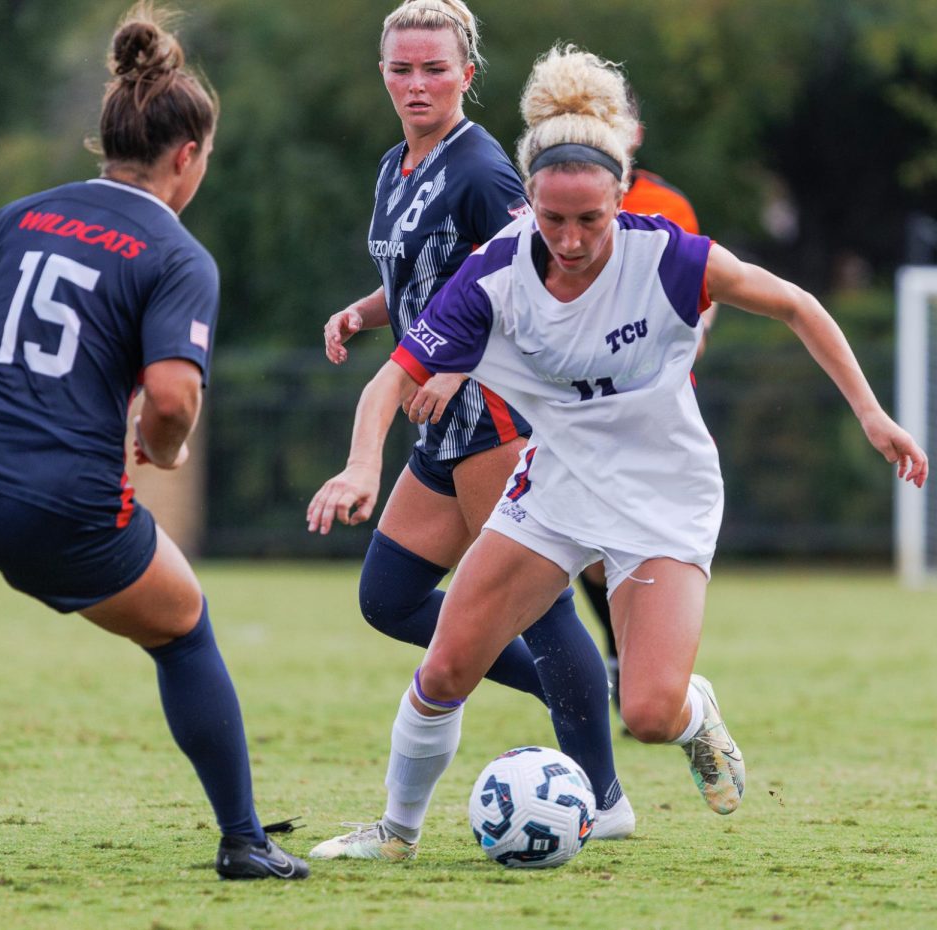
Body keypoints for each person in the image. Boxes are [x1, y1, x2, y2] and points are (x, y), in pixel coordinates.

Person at [306, 43, 928, 856]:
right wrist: (361, 464)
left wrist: (873, 414)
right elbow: (391, 381)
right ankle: (397, 831)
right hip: (555, 487)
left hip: (663, 496)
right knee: (447, 667)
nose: (570, 240)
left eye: (590, 220)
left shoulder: (668, 258)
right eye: (553, 219)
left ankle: (695, 715)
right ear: (526, 201)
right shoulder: (495, 275)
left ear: (621, 198)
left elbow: (799, 305)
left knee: (646, 713)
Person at [0, 3, 307, 882]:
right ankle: (243, 840)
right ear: (187, 156)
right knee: (185, 630)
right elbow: (170, 395)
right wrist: (167, 445)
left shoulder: (16, 217)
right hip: (61, 499)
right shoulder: (178, 252)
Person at [312, 0, 633, 858]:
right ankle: (586, 689)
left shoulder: (485, 169)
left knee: (536, 602)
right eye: (401, 68)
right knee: (387, 597)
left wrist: (457, 361)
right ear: (382, 74)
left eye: (434, 68)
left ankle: (603, 794)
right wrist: (367, 310)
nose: (417, 83)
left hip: (495, 411)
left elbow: (541, 275)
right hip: (437, 418)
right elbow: (425, 279)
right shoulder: (395, 166)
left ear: (468, 75)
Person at [583, 159, 713, 715]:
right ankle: (618, 658)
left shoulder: (663, 208)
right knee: (583, 547)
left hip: (647, 415)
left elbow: (707, 295)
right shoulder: (539, 205)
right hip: (577, 414)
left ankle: (648, 673)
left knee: (636, 542)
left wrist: (693, 336)